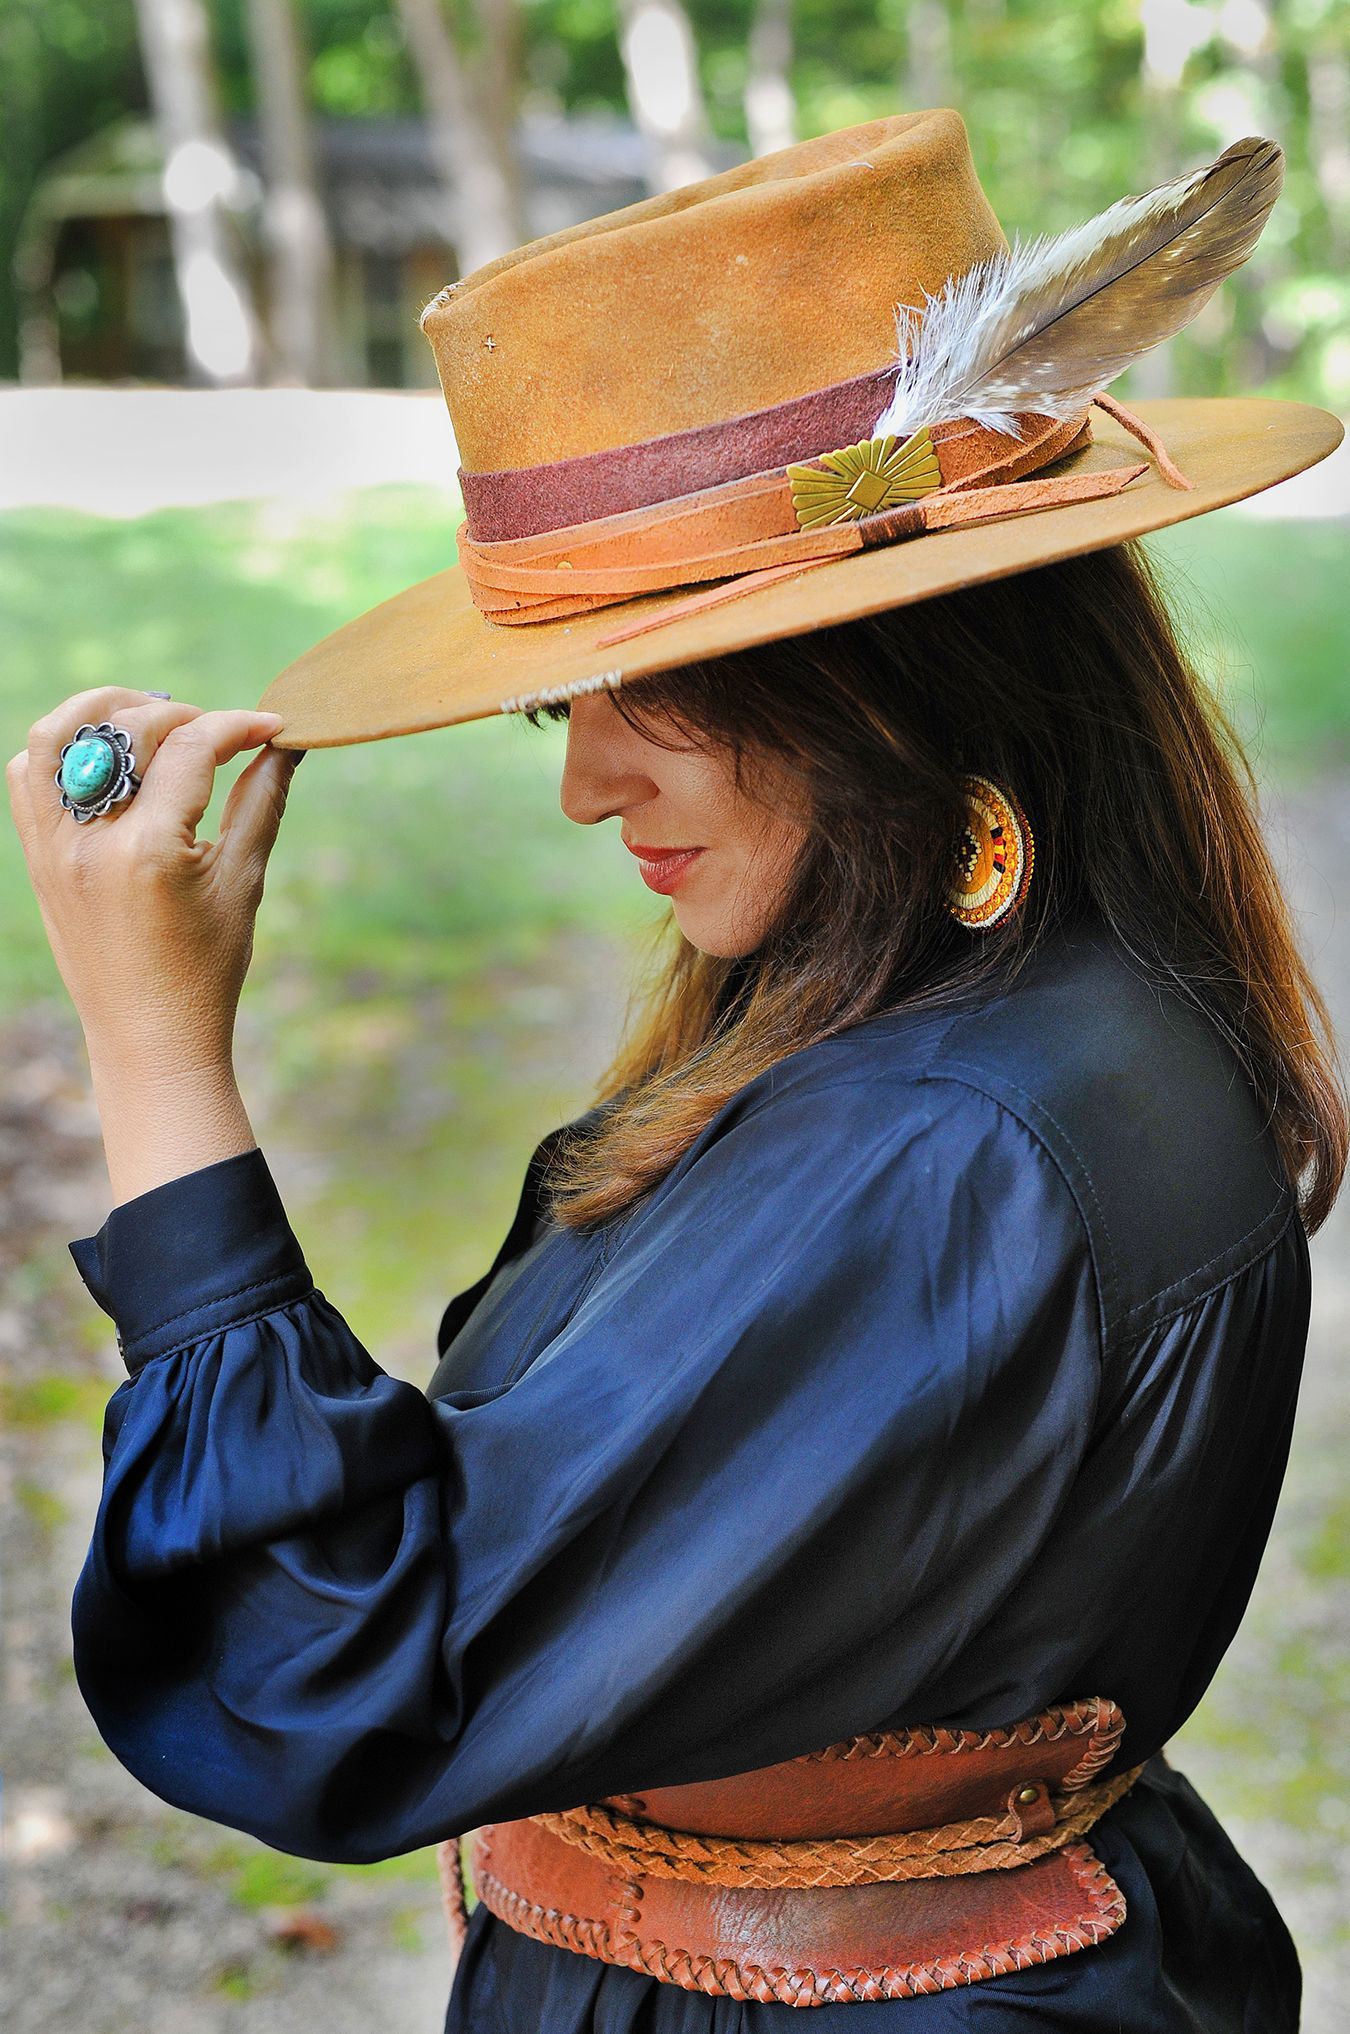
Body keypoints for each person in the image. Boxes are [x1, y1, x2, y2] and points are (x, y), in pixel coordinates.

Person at [6, 111, 1346, 2032]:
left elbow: (336, 1662)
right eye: (570, 690)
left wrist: (155, 1058)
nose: (582, 782)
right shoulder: (1001, 1007)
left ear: (891, 659)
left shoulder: (948, 1148)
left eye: (659, 677)